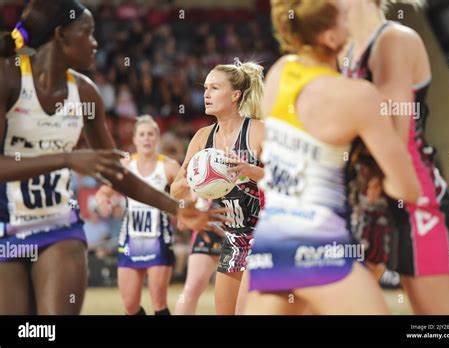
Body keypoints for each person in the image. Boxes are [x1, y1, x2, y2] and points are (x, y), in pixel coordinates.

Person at [0, 0, 225, 315]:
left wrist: (177, 209)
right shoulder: (8, 79)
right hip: (6, 228)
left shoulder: (85, 93)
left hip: (60, 227)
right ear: (61, 35)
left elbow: (115, 173)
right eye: (87, 33)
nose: (95, 43)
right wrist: (66, 159)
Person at [245, 0, 421, 315]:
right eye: (343, 15)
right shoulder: (357, 96)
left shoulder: (279, 73)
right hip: (319, 247)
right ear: (329, 37)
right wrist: (379, 177)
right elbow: (408, 188)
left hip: (270, 243)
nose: (350, 16)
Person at [342, 0, 449, 314]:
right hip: (367, 195)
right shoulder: (345, 51)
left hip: (415, 201)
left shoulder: (393, 40)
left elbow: (394, 137)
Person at [171, 61, 265, 315]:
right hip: (233, 236)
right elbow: (174, 190)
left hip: (265, 235)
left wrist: (250, 171)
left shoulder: (257, 131)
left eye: (214, 88)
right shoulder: (202, 138)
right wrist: (196, 177)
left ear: (235, 95)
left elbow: (285, 183)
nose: (206, 94)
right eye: (205, 88)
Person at [96, 116, 179, 315]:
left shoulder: (168, 166)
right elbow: (103, 191)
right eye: (141, 134)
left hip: (158, 238)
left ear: (157, 138)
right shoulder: (126, 165)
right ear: (134, 140)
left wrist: (184, 213)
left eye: (150, 134)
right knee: (130, 306)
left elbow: (187, 193)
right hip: (130, 238)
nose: (146, 138)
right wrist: (102, 200)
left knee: (159, 302)